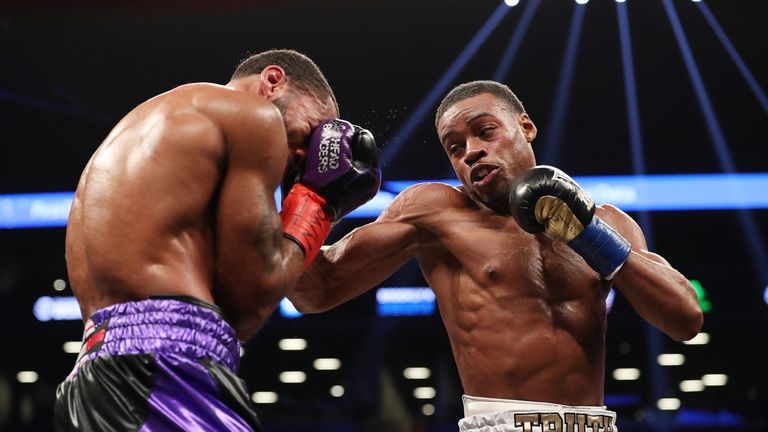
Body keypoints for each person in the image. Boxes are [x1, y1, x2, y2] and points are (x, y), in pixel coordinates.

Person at [287, 80, 703, 431]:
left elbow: (685, 319)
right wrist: (307, 199)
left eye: (485, 132)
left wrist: (589, 235)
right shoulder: (436, 212)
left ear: (526, 127)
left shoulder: (606, 221)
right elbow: (316, 291)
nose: (469, 152)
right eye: (454, 147)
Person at [54, 49, 381, 431]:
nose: (302, 157)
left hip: (93, 380)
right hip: (165, 371)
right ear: (273, 81)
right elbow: (250, 302)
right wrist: (319, 200)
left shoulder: (150, 124)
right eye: (310, 133)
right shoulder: (253, 117)